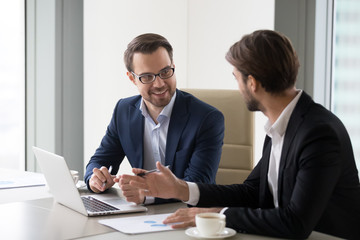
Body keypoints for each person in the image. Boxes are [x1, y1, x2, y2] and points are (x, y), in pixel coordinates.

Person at [120, 30, 360, 239]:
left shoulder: (317, 133)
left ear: (252, 83)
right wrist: (181, 189)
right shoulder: (283, 124)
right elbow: (252, 192)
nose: (238, 87)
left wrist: (218, 214)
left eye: (236, 78)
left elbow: (296, 222)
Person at [84, 33, 224, 205]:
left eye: (165, 72)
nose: (159, 84)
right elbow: (99, 160)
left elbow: (199, 183)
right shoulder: (123, 110)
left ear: (173, 67)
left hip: (188, 216)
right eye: (147, 77)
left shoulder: (206, 119)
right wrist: (94, 178)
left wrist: (147, 195)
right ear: (132, 78)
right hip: (141, 216)